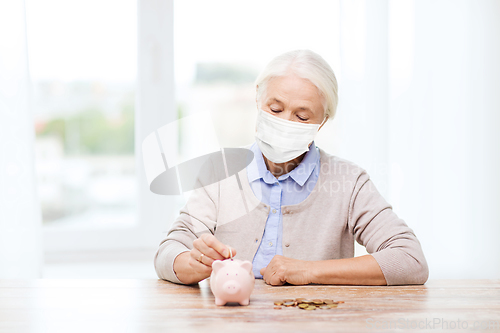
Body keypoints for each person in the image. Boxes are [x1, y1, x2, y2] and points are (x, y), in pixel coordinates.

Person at [154, 49, 429, 286]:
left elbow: (410, 259)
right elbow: (168, 251)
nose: (285, 122)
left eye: (302, 116)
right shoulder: (220, 171)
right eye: (275, 109)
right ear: (258, 102)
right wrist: (192, 264)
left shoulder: (349, 182)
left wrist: (308, 270)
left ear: (321, 122)